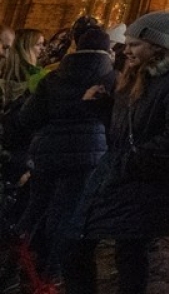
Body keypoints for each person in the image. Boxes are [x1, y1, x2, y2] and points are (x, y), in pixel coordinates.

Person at [64, 11, 169, 294]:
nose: (125, 49)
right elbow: (125, 125)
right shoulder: (134, 74)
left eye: (134, 44)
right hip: (117, 170)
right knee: (76, 242)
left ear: (156, 45)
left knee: (129, 253)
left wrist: (134, 159)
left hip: (143, 178)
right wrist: (101, 106)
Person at [19, 26, 116, 277]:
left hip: (47, 152)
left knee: (36, 206)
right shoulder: (112, 79)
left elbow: (28, 117)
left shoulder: (54, 76)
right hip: (87, 155)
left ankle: (18, 257)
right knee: (67, 213)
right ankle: (51, 269)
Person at [0, 27, 45, 107]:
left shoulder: (36, 70)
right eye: (38, 44)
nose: (43, 48)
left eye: (43, 44)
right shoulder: (17, 70)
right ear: (24, 46)